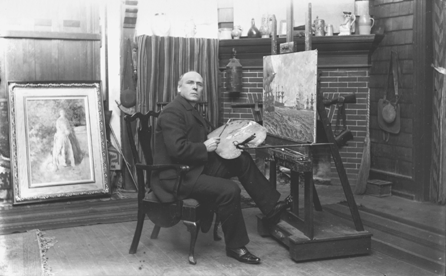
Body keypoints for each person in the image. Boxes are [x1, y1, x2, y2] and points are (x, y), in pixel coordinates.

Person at [151, 71, 291, 264]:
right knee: (230, 189)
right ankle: (235, 246)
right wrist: (204, 147)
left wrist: (230, 140)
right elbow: (177, 150)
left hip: (193, 169)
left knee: (241, 159)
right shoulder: (172, 112)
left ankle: (270, 207)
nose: (195, 87)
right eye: (190, 83)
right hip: (177, 178)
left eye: (199, 84)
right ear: (179, 87)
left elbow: (199, 139)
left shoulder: (189, 109)